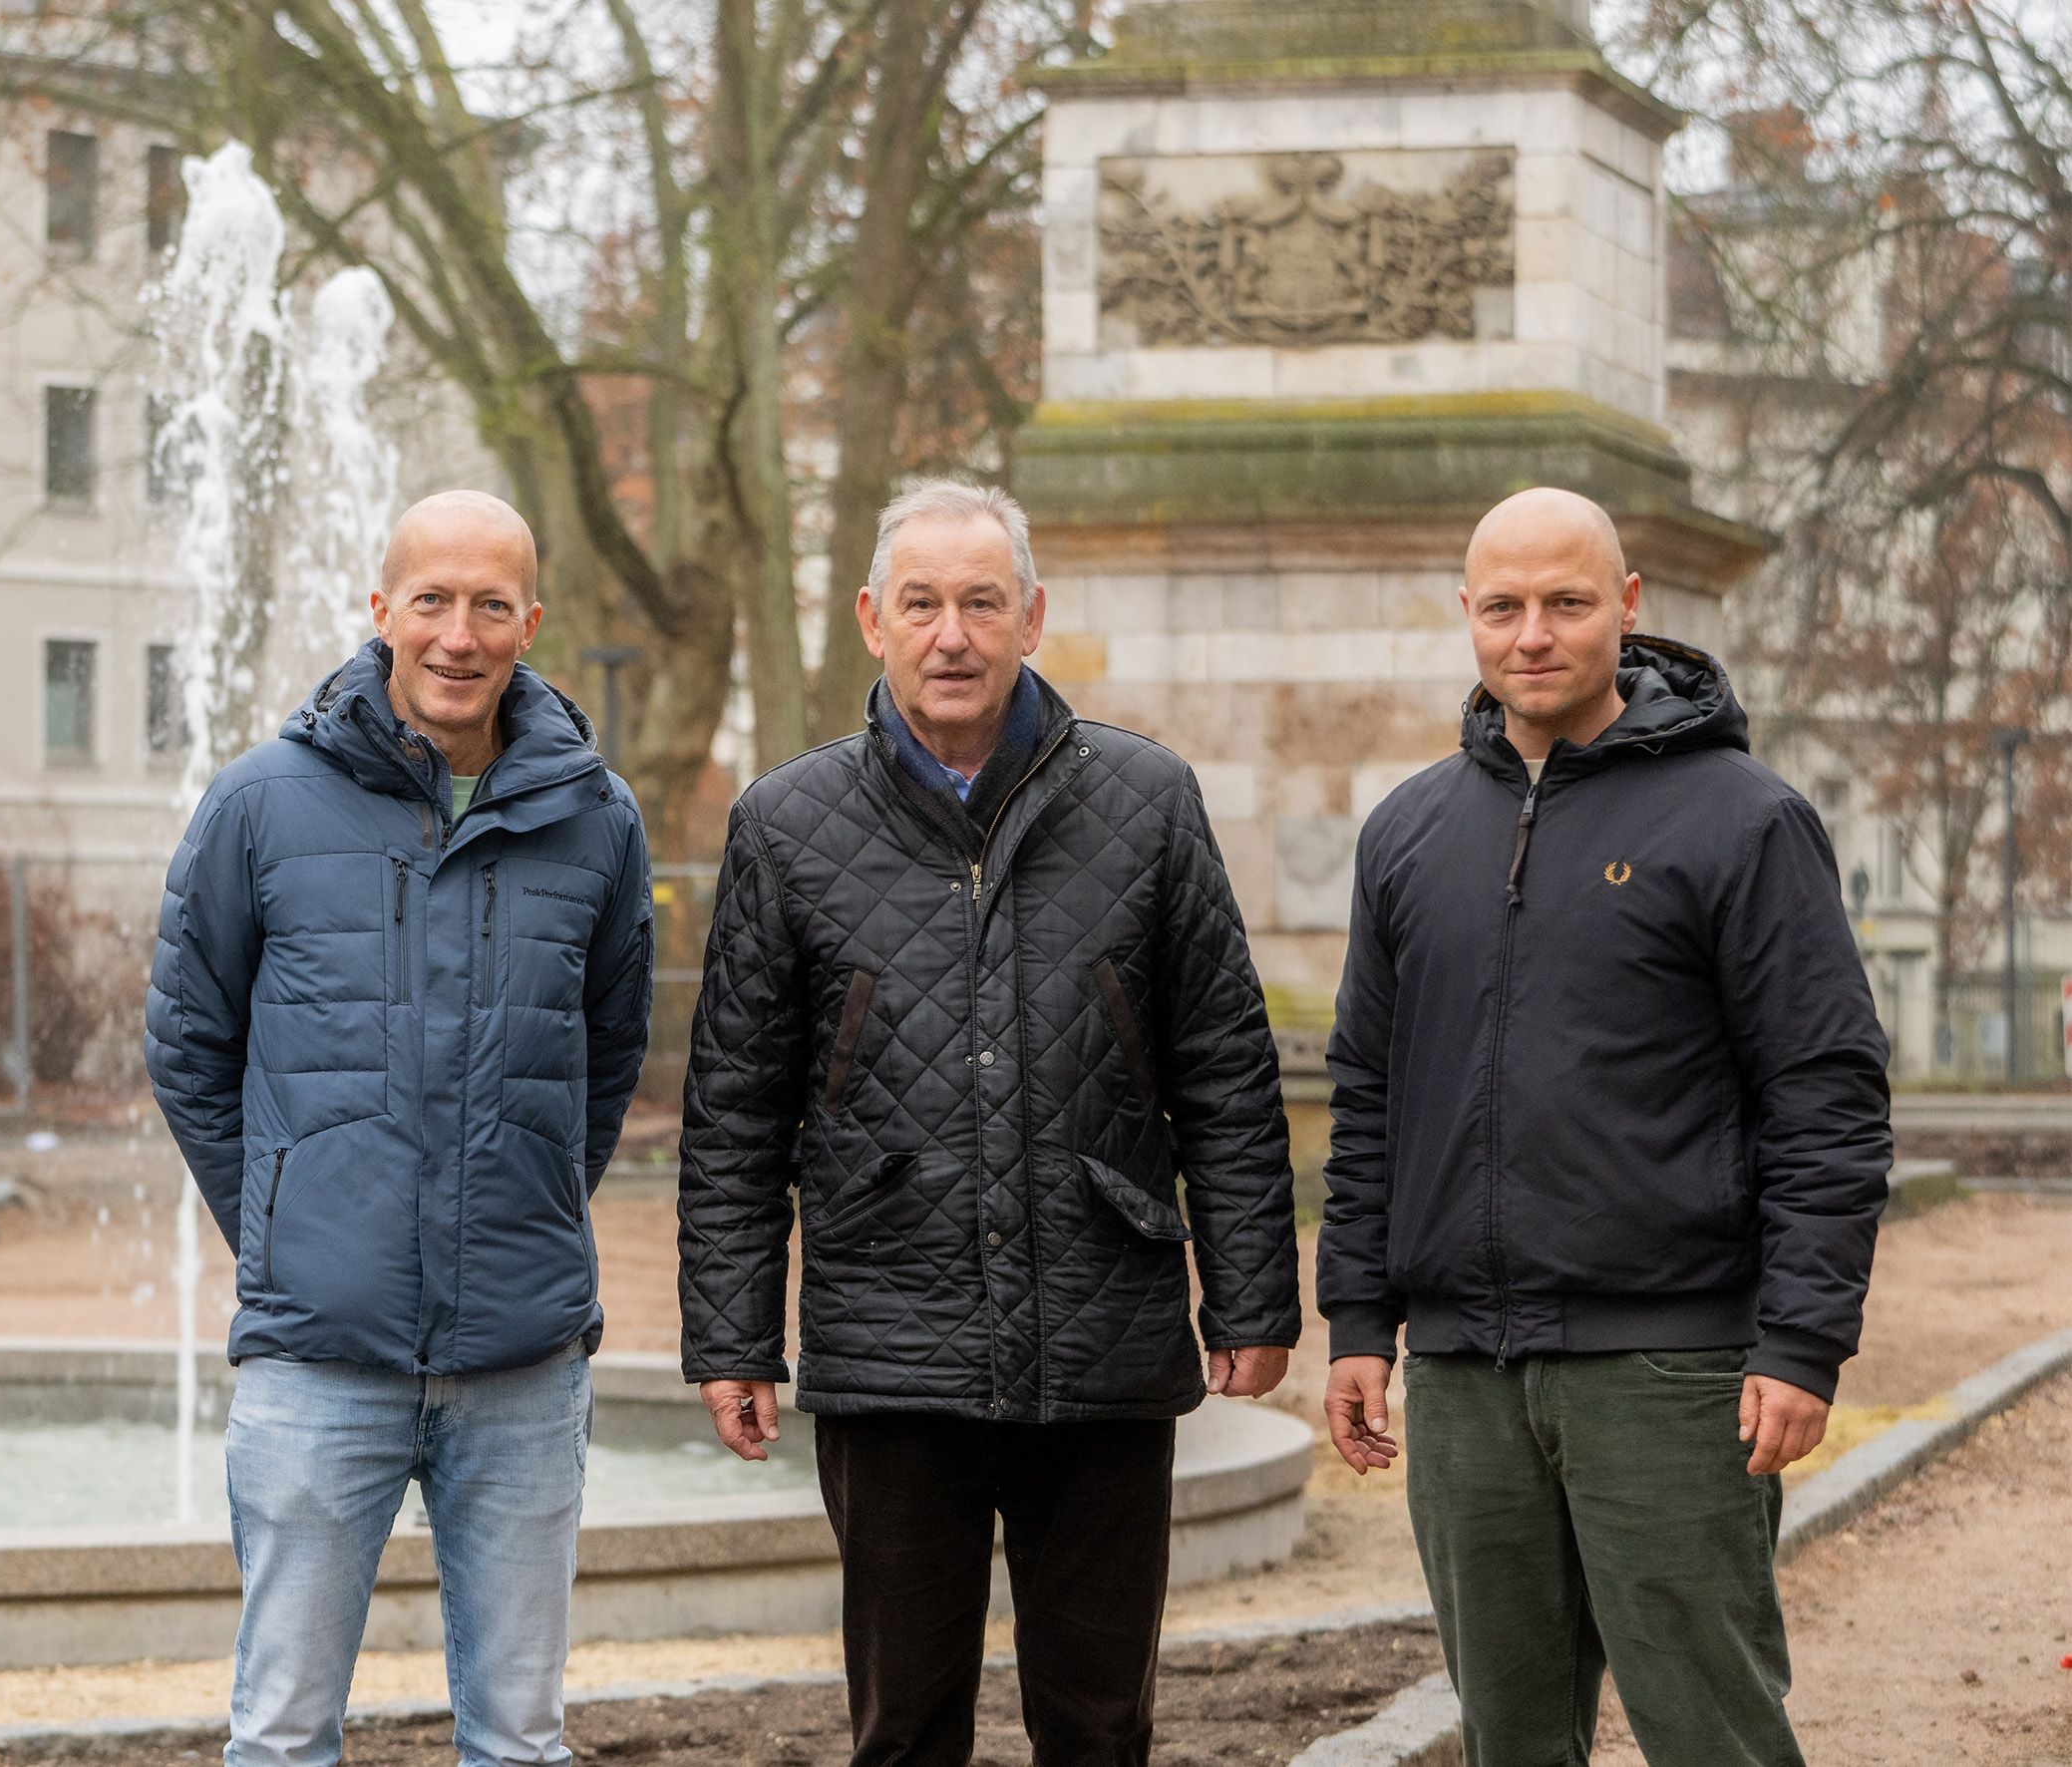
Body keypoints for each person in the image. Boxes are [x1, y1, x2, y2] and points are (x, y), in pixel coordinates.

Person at [676, 482, 1300, 1767]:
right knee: (903, 1728)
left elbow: (1226, 1069)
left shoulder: (1148, 799)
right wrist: (731, 1332)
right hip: (891, 1339)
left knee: (1100, 1721)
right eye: (922, 603)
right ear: (871, 619)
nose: (951, 633)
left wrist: (1252, 1297)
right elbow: (735, 1105)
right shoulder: (784, 824)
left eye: (980, 602)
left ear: (1031, 616)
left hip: (1103, 1333)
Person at [1316, 487, 1892, 1767]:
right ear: (1465, 613)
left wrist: (1802, 1338)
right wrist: (1359, 1318)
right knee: (1509, 1743)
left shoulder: (1744, 819)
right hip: (1465, 1377)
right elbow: (1368, 1090)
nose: (1535, 633)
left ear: (1628, 608)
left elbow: (1826, 1091)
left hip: (1673, 1372)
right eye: (1505, 606)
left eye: (1568, 602)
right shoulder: (1408, 832)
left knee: (1713, 1734)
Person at [145, 489, 656, 1767]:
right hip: (320, 1354)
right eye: (432, 599)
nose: (459, 633)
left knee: (522, 1739)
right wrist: (286, 1220)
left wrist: (524, 1200)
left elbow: (603, 1059)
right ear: (382, 610)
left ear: (530, 623)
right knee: (279, 1734)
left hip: (524, 1363)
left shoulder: (597, 819)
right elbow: (187, 1045)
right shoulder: (260, 802)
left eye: (492, 604)